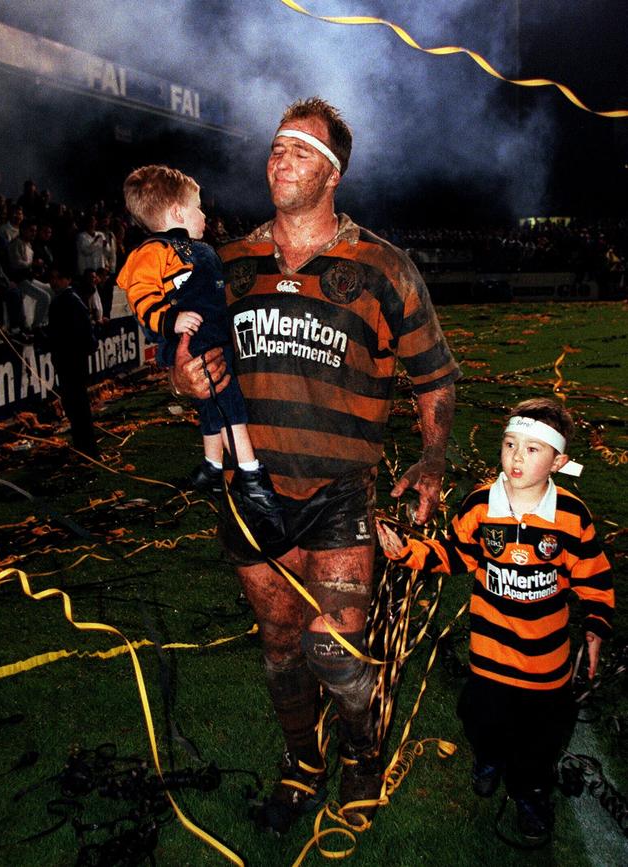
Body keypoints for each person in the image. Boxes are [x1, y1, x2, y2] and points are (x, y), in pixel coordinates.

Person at [170, 97, 459, 832]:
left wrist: (431, 459)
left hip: (338, 491)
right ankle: (304, 762)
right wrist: (179, 380)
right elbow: (183, 362)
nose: (278, 160)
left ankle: (362, 753)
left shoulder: (381, 266)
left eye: (296, 150)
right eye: (274, 149)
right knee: (280, 646)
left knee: (335, 650)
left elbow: (433, 374)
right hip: (251, 491)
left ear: (331, 172)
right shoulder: (227, 264)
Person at [377, 397, 614, 841]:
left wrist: (596, 628)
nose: (516, 457)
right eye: (510, 444)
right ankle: (488, 757)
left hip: (546, 666)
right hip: (489, 656)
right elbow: (455, 553)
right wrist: (407, 551)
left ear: (559, 461)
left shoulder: (572, 516)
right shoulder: (480, 506)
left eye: (532, 449)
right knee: (480, 717)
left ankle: (530, 793)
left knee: (539, 741)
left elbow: (594, 578)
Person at [117, 164, 284, 544]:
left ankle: (212, 464)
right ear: (177, 212)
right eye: (198, 208)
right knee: (229, 407)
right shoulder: (155, 251)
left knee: (210, 408)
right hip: (197, 342)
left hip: (213, 336)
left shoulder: (198, 250)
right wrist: (170, 318)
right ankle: (251, 476)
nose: (205, 215)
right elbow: (141, 295)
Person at [47, 264, 100, 458]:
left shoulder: (68, 301)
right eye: (51, 278)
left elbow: (83, 330)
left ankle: (86, 447)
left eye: (56, 278)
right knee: (74, 403)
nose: (53, 282)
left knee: (76, 403)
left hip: (71, 360)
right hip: (70, 359)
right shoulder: (67, 300)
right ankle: (83, 445)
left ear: (66, 279)